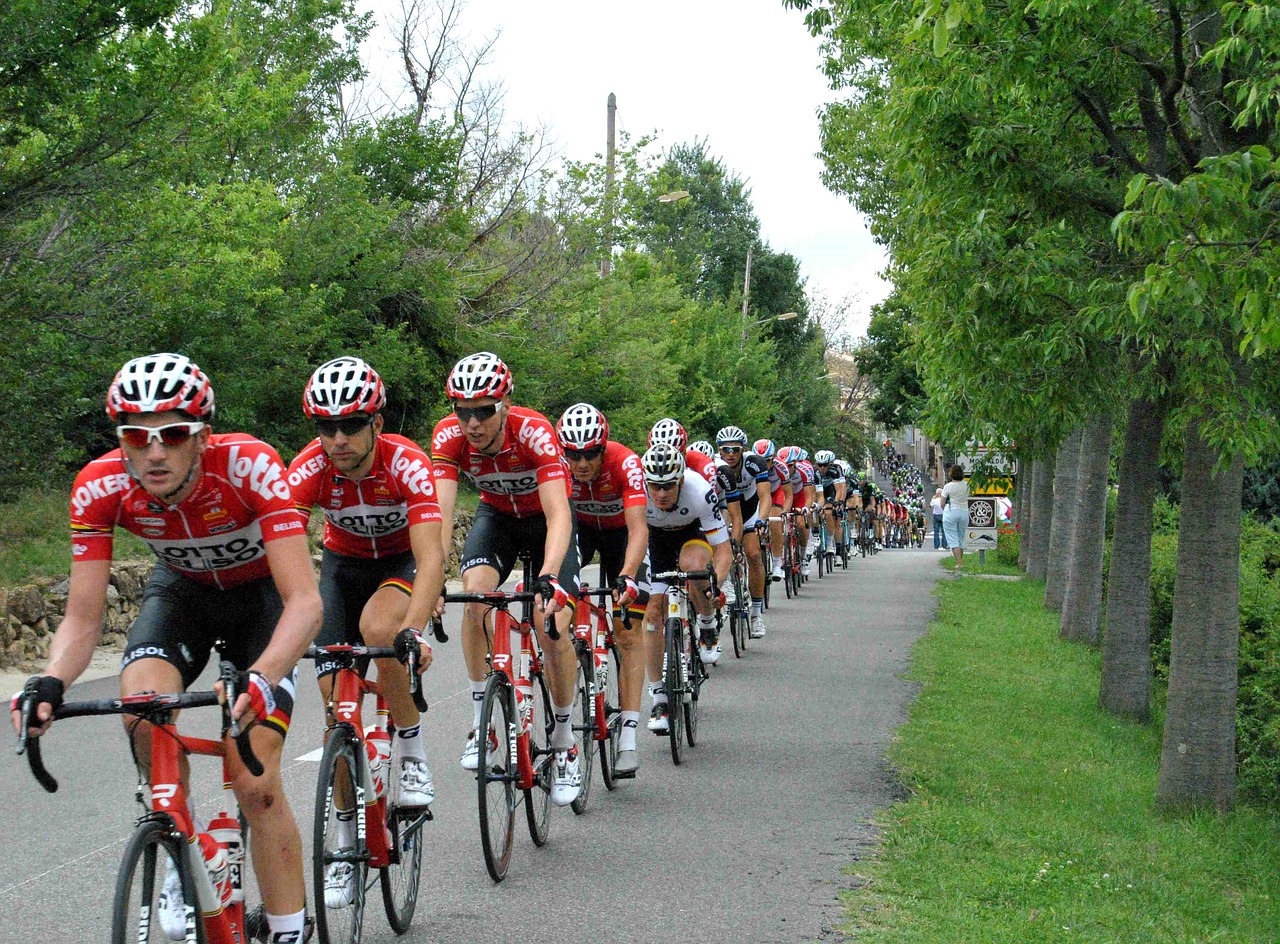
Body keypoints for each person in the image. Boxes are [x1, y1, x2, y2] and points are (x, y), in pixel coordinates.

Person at [12, 353, 322, 943]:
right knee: (143, 706)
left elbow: (305, 601)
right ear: (121, 440)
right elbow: (82, 618)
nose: (154, 452)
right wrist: (50, 681)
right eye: (137, 435)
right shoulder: (98, 486)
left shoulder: (251, 465)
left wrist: (265, 673)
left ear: (201, 438)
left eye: (172, 435)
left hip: (263, 600)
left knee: (254, 784)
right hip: (182, 595)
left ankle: (287, 929)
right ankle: (178, 844)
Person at [288, 357, 444, 905]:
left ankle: (413, 749)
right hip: (342, 568)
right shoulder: (309, 467)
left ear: (376, 424)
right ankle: (342, 839)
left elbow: (431, 559)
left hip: (399, 565)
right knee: (336, 711)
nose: (338, 438)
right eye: (325, 427)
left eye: (351, 425)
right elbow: (277, 549)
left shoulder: (407, 462)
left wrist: (416, 630)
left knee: (381, 629)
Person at [430, 352, 582, 806]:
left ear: (506, 404)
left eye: (484, 410)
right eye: (462, 411)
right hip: (496, 516)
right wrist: (434, 577)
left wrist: (550, 577)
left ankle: (565, 740)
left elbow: (558, 515)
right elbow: (437, 515)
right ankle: (482, 722)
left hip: (544, 523)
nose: (471, 422)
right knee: (475, 595)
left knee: (549, 622)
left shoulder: (533, 432)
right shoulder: (448, 436)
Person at [556, 403, 649, 776]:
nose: (581, 463)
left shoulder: (626, 463)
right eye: (573, 454)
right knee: (560, 605)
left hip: (620, 536)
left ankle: (627, 735)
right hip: (581, 532)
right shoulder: (559, 466)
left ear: (603, 447)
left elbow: (640, 530)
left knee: (627, 632)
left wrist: (627, 574)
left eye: (590, 453)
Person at [639, 444, 730, 733]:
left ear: (681, 480)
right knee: (652, 614)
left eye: (668, 486)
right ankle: (659, 698)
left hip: (692, 535)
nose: (662, 493)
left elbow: (723, 550)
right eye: (655, 486)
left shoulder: (699, 490)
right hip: (654, 541)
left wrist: (716, 587)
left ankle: (705, 622)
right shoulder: (636, 492)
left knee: (694, 569)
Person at [716, 425, 771, 638]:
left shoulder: (754, 463)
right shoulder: (716, 466)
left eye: (735, 449)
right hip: (725, 510)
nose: (730, 454)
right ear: (719, 450)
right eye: (726, 449)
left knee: (754, 554)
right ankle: (725, 582)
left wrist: (762, 520)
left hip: (749, 510)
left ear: (743, 449)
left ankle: (756, 615)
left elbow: (765, 497)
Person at [941, 465, 970, 569]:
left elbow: (942, 502)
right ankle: (960, 561)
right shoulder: (967, 485)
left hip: (951, 511)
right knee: (961, 538)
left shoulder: (948, 486)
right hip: (964, 512)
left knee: (953, 539)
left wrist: (946, 509)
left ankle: (959, 563)